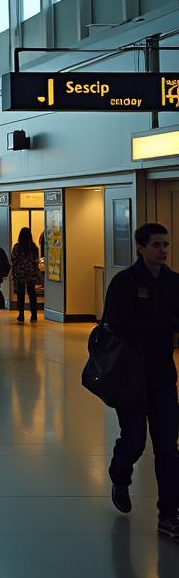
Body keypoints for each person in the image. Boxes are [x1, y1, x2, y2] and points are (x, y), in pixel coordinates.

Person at [103, 222, 179, 537]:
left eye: (165, 244)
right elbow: (117, 324)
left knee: (167, 448)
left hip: (162, 376)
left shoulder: (174, 283)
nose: (162, 250)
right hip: (130, 377)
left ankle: (169, 515)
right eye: (156, 245)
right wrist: (163, 323)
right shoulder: (125, 283)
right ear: (140, 247)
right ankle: (120, 476)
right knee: (134, 441)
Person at [11, 226, 41, 323]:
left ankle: (21, 315)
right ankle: (34, 316)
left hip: (20, 274)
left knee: (21, 295)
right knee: (32, 295)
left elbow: (13, 260)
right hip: (31, 274)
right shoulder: (34, 247)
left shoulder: (17, 247)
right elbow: (36, 261)